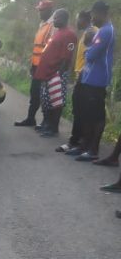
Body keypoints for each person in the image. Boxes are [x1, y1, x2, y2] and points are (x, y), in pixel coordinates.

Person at [75, 0, 115, 162]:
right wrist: (89, 49)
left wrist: (88, 51)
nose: (92, 19)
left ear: (102, 13)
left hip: (98, 79)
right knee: (88, 113)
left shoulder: (106, 31)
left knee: (96, 116)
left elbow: (91, 54)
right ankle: (85, 145)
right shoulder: (102, 30)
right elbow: (91, 50)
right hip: (90, 77)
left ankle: (93, 149)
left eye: (94, 15)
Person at [56, 10, 96, 153]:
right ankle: (75, 141)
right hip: (81, 76)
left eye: (78, 19)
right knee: (78, 110)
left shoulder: (93, 32)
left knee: (82, 111)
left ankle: (78, 143)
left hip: (87, 78)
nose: (77, 22)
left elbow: (93, 56)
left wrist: (84, 72)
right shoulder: (86, 33)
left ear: (84, 19)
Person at [34, 9, 77, 137]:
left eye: (57, 18)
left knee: (56, 101)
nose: (54, 20)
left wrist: (58, 74)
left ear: (64, 18)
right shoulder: (57, 33)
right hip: (47, 73)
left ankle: (53, 128)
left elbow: (66, 58)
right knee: (46, 100)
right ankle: (46, 124)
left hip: (56, 74)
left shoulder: (69, 34)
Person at [15, 0, 54, 127]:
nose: (39, 13)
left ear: (49, 10)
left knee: (45, 95)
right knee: (34, 93)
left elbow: (51, 48)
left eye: (41, 10)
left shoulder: (53, 25)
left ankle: (47, 123)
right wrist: (33, 65)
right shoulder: (42, 24)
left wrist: (46, 67)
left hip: (45, 67)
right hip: (37, 65)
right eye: (39, 10)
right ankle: (31, 119)